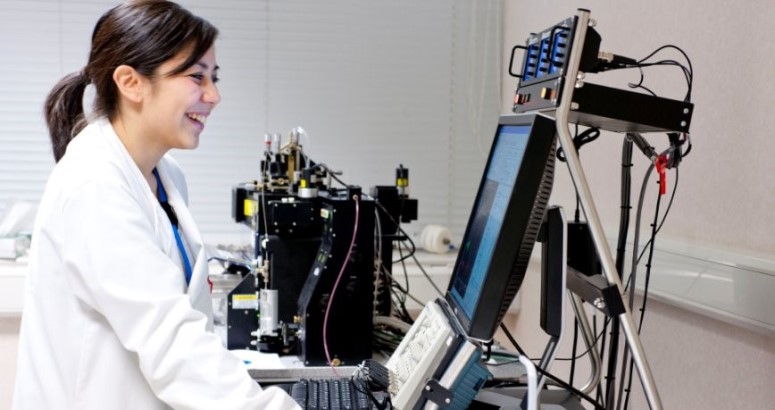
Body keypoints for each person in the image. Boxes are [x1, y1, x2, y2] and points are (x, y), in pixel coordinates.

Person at [12, 1, 300, 409]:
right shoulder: (94, 185)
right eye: (196, 76)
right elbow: (169, 338)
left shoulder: (166, 176)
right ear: (131, 82)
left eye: (214, 78)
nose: (214, 95)